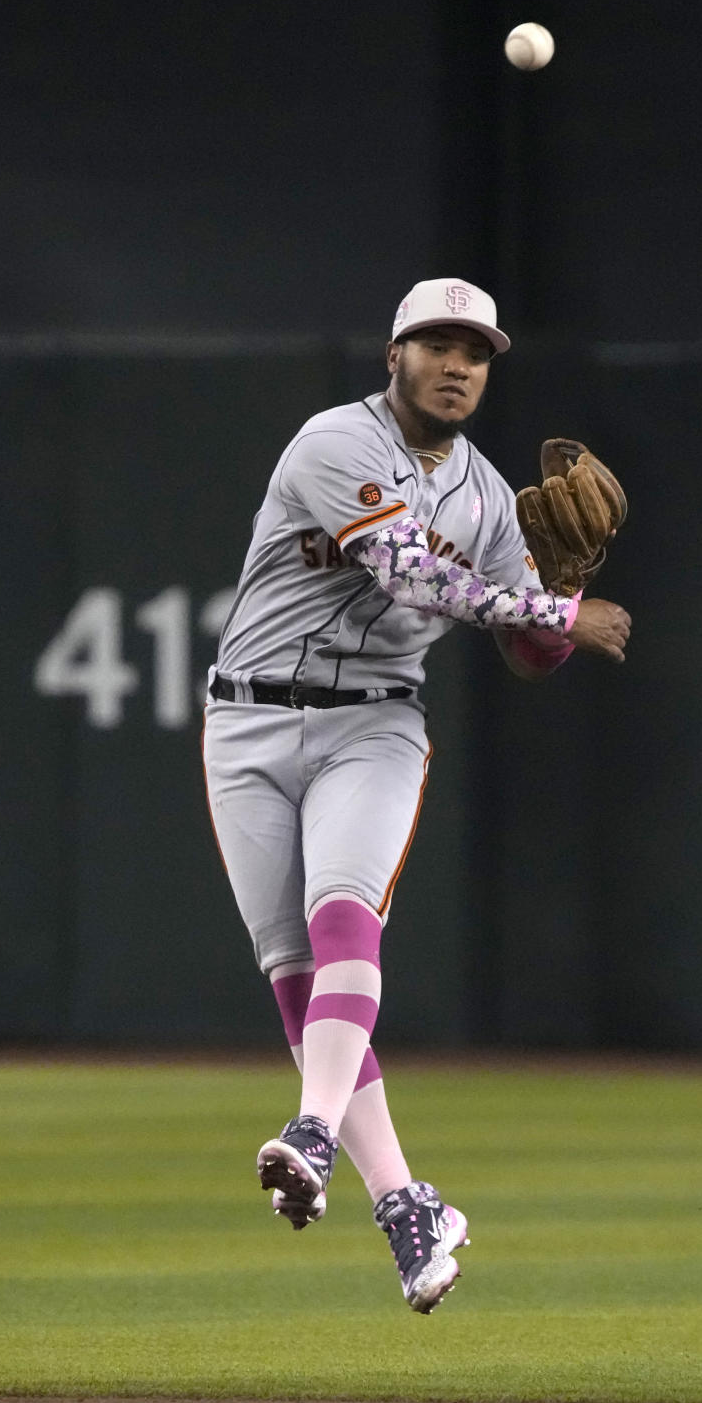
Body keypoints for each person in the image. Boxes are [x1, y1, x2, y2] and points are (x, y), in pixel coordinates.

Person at [202, 277, 631, 1313]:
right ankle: (407, 1205)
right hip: (246, 721)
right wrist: (542, 605)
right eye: (437, 344)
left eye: (475, 351)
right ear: (393, 355)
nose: (457, 365)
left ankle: (312, 1131)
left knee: (343, 917)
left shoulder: (486, 499)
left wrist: (554, 601)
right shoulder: (332, 443)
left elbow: (530, 652)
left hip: (374, 725)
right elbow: (405, 572)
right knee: (294, 977)